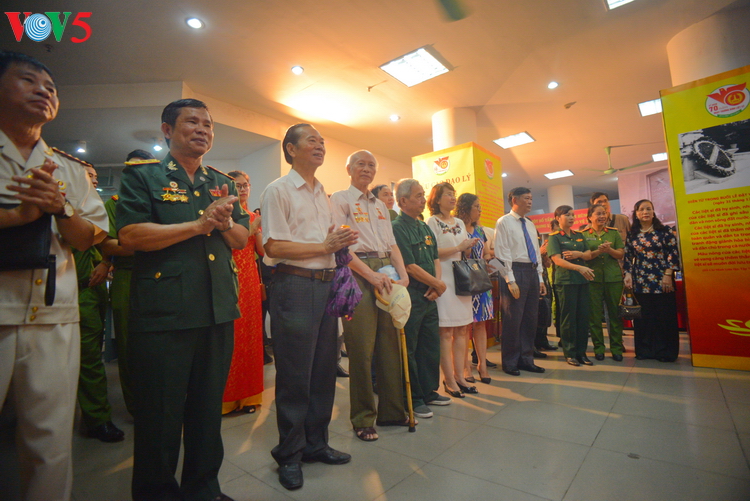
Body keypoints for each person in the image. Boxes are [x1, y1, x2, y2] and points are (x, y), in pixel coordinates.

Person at [117, 98, 250, 501]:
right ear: (167, 130)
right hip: (164, 314)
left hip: (216, 309)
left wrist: (223, 224)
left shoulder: (221, 181)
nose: (202, 129)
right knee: (160, 415)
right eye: (192, 122)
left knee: (207, 412)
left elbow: (242, 238)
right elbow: (131, 236)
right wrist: (198, 224)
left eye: (208, 124)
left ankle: (203, 489)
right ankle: (156, 493)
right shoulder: (145, 175)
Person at [0, 51, 108, 501]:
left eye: (51, 87)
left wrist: (60, 208)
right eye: (29, 80)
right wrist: (20, 214)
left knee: (50, 441)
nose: (44, 91)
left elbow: (89, 238)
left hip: (53, 312)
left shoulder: (69, 170)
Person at [260, 123, 358, 491]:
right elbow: (274, 246)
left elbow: (327, 241)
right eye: (311, 141)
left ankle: (316, 444)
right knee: (295, 374)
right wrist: (324, 246)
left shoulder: (322, 193)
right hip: (295, 286)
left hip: (326, 286)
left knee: (323, 371)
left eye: (322, 142)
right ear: (290, 148)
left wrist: (340, 239)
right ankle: (289, 454)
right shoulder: (278, 190)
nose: (320, 146)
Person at [330, 150, 410, 442]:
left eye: (371, 165)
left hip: (387, 270)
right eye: (361, 164)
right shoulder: (340, 199)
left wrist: (403, 275)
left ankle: (392, 411)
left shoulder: (381, 206)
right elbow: (341, 246)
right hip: (356, 271)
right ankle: (363, 418)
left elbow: (392, 245)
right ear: (349, 168)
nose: (366, 169)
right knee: (361, 348)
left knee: (390, 343)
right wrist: (370, 275)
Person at [100, 149, 157, 417]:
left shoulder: (163, 201)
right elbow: (109, 244)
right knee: (128, 346)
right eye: (132, 169)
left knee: (162, 345)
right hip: (128, 276)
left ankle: (163, 404)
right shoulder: (115, 204)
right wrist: (152, 243)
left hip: (160, 277)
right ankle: (137, 408)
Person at [73, 164, 125, 442]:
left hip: (90, 292)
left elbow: (106, 244)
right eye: (88, 176)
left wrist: (105, 262)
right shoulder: (60, 206)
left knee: (90, 358)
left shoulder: (97, 210)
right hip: (59, 291)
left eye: (95, 177)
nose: (94, 181)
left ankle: (96, 418)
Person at [392, 179, 448, 419]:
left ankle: (429, 392)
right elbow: (409, 265)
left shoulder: (424, 227)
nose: (423, 200)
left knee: (430, 345)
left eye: (423, 195)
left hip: (430, 295)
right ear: (403, 201)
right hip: (412, 294)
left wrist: (437, 286)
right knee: (411, 348)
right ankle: (413, 398)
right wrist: (437, 284)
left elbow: (435, 259)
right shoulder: (397, 227)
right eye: (418, 196)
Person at [426, 183, 478, 397]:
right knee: (446, 332)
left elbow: (463, 251)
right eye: (448, 194)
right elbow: (432, 251)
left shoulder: (459, 222)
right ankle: (448, 379)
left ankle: (460, 376)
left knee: (463, 330)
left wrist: (468, 247)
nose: (453, 197)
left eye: (454, 194)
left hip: (461, 278)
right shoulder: (432, 221)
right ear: (437, 199)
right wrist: (458, 247)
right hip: (443, 278)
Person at [222, 171, 264, 415]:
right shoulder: (224, 215)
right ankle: (226, 399)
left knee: (250, 335)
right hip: (228, 277)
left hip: (250, 279)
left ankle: (249, 396)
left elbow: (262, 251)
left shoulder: (253, 216)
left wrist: (258, 230)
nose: (243, 189)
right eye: (238, 186)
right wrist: (249, 229)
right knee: (231, 337)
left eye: (246, 185)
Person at [493, 187, 546, 376]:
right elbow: (502, 252)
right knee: (512, 319)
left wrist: (540, 277)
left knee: (530, 319)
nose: (530, 201)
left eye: (531, 198)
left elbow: (536, 252)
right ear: (514, 200)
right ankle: (510, 362)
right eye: (526, 198)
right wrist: (509, 279)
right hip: (514, 271)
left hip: (531, 271)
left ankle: (526, 359)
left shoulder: (530, 224)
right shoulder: (504, 222)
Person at [623, 199, 680, 362]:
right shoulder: (633, 234)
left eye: (648, 209)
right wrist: (628, 275)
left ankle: (666, 352)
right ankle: (645, 350)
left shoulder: (664, 231)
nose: (645, 212)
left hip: (662, 280)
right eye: (641, 209)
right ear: (636, 214)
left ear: (653, 212)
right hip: (641, 281)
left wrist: (668, 274)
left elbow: (673, 253)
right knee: (645, 318)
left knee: (664, 316)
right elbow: (628, 257)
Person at [546, 205, 596, 366]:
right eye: (567, 215)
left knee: (583, 317)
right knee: (568, 318)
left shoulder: (579, 235)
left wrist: (578, 254)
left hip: (582, 281)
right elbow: (557, 260)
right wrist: (579, 267)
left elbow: (588, 254)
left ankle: (582, 353)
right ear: (558, 218)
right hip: (566, 282)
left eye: (573, 215)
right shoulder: (554, 237)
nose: (571, 218)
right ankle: (570, 353)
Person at [456, 193, 494, 385]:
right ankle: (465, 367)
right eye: (476, 207)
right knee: (463, 327)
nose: (480, 210)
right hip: (463, 281)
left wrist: (488, 259)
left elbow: (486, 252)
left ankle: (482, 365)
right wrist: (466, 249)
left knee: (480, 324)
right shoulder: (457, 228)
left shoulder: (480, 230)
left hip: (481, 281)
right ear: (466, 208)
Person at [582, 203, 625, 361]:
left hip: (613, 279)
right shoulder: (583, 235)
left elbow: (620, 254)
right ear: (590, 217)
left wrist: (609, 250)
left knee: (615, 315)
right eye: (598, 214)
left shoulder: (613, 233)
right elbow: (584, 256)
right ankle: (599, 348)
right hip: (592, 279)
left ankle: (616, 348)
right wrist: (598, 251)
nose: (602, 216)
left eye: (604, 213)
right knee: (594, 316)